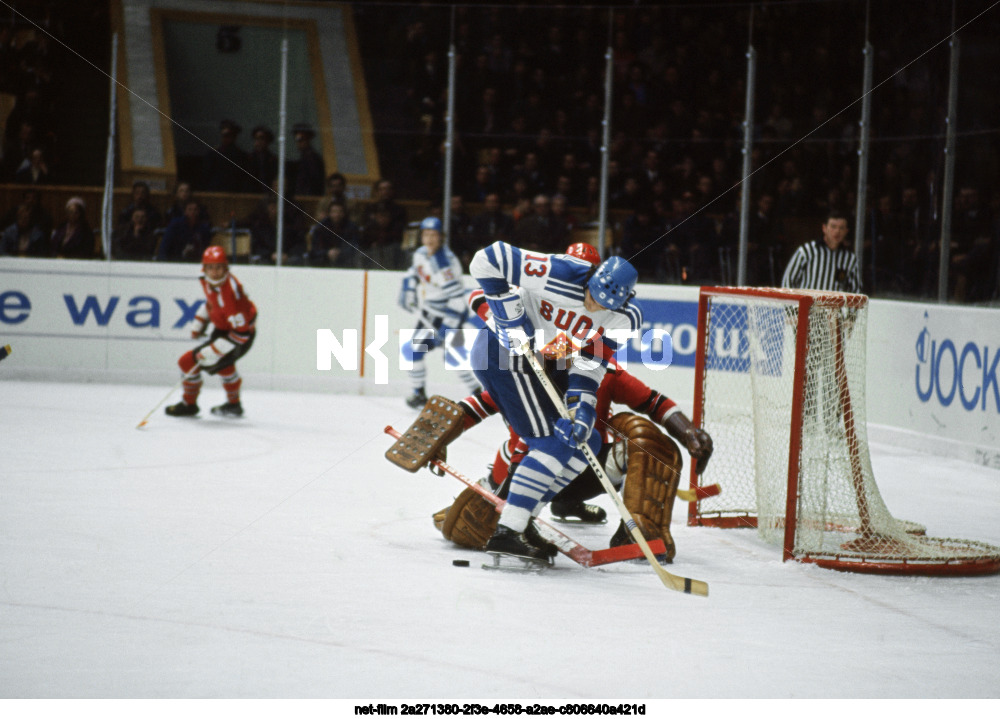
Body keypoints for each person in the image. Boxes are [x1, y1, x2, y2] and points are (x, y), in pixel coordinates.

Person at [467, 239, 643, 566]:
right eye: (591, 295)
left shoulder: (624, 320)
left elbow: (590, 366)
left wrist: (582, 411)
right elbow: (486, 259)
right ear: (589, 278)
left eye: (603, 305)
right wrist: (506, 315)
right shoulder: (561, 271)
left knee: (586, 439)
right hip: (499, 355)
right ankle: (507, 530)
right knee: (551, 443)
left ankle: (524, 518)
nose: (592, 307)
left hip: (534, 363)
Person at [165, 246, 257, 418]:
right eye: (210, 268)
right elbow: (212, 302)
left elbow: (242, 334)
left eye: (219, 267)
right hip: (223, 330)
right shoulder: (206, 280)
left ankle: (189, 404)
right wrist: (200, 321)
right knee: (223, 366)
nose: (214, 272)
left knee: (187, 362)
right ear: (204, 268)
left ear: (226, 268)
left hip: (238, 336)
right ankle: (233, 405)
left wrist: (214, 350)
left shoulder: (232, 295)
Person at [398, 217, 480, 408]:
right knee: (414, 352)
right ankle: (419, 393)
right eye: (426, 234)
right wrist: (408, 288)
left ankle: (479, 393)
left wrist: (446, 327)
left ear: (441, 237)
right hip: (430, 313)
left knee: (450, 355)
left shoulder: (444, 264)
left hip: (446, 314)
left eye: (434, 235)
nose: (429, 239)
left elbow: (458, 299)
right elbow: (414, 271)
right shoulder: (420, 253)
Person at [781, 210, 861, 293]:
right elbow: (788, 282)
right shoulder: (806, 251)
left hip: (834, 306)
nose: (837, 231)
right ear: (824, 228)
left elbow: (855, 290)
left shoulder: (849, 259)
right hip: (807, 305)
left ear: (846, 231)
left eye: (841, 228)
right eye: (833, 227)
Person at [308, 199, 358, 267]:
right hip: (324, 261)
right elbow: (314, 250)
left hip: (344, 261)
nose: (337, 215)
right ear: (329, 213)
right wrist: (327, 253)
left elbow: (354, 247)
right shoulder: (320, 227)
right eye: (334, 212)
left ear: (344, 213)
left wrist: (340, 252)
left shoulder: (351, 227)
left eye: (340, 212)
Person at [203, 119, 249, 192]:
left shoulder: (242, 156)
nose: (225, 138)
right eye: (223, 135)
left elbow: (244, 178)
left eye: (228, 135)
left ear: (234, 137)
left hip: (236, 192)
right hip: (216, 191)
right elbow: (207, 176)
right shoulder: (213, 154)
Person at [292, 123, 325, 196]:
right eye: (297, 140)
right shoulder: (304, 157)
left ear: (308, 139)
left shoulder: (313, 158)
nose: (299, 143)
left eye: (302, 140)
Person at [246, 125, 278, 191]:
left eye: (262, 138)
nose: (259, 142)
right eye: (256, 139)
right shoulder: (247, 159)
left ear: (268, 141)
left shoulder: (273, 160)